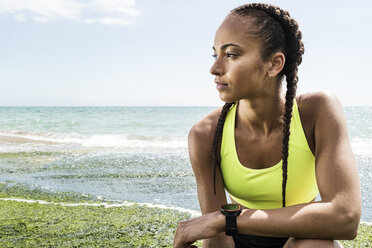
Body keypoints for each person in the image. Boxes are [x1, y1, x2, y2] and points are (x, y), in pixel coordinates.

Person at [173, 3, 361, 248]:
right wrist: (224, 224)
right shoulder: (205, 134)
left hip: (302, 237)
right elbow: (217, 238)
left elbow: (345, 217)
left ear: (273, 64)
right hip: (236, 240)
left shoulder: (316, 111)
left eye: (231, 54)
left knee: (317, 244)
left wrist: (227, 219)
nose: (215, 68)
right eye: (215, 54)